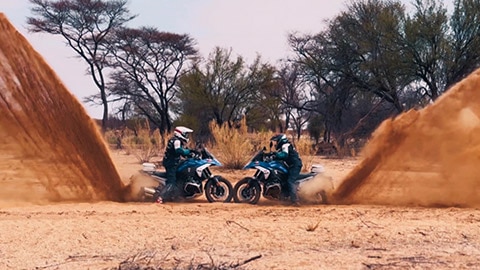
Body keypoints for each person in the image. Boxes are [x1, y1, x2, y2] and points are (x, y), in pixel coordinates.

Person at [154, 126, 194, 204]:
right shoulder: (176, 141)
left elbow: (180, 152)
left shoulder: (174, 140)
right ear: (181, 133)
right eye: (185, 134)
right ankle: (161, 198)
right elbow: (178, 151)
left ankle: (177, 195)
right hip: (171, 164)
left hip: (172, 162)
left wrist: (189, 154)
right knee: (171, 182)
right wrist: (188, 152)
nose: (187, 136)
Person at [270, 133, 303, 205]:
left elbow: (284, 154)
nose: (275, 144)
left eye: (276, 141)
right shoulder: (284, 146)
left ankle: (295, 201)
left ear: (280, 140)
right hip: (291, 165)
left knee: (290, 181)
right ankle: (283, 195)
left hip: (295, 165)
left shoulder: (285, 145)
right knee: (283, 178)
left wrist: (275, 154)